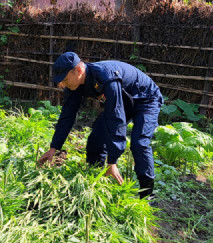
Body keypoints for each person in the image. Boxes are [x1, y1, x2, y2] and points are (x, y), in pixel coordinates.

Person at [37, 52, 163, 198]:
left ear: (78, 70)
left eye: (65, 80)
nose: (62, 84)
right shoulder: (75, 86)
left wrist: (112, 160)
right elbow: (67, 116)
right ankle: (95, 181)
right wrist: (54, 147)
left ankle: (147, 194)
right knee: (95, 140)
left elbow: (116, 118)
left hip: (146, 100)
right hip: (122, 102)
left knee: (139, 143)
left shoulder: (106, 77)